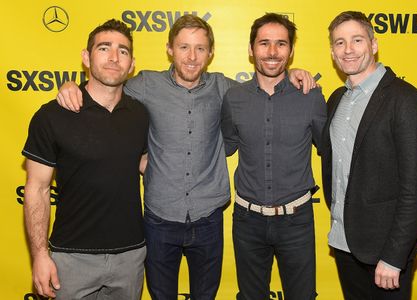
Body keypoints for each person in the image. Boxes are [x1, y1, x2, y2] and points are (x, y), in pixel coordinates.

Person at [56, 14, 317, 299]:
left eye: (200, 48)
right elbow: (105, 86)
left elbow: (265, 84)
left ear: (211, 53)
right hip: (159, 219)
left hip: (208, 218)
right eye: (183, 47)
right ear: (169, 49)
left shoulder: (227, 90)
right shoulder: (145, 84)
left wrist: (292, 74)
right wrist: (72, 86)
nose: (192, 57)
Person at [23, 19, 149, 299]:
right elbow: (37, 189)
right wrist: (40, 256)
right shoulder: (52, 116)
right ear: (86, 56)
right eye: (104, 48)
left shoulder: (141, 115)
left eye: (123, 51)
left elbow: (144, 163)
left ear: (132, 64)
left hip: (130, 257)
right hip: (70, 258)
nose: (114, 57)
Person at [321, 11, 417, 300]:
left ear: (373, 44)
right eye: (339, 42)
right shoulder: (336, 99)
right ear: (332, 52)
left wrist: (395, 256)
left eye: (356, 40)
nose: (348, 50)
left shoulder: (406, 99)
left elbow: (416, 188)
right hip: (344, 245)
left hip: (385, 256)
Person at [221, 13, 327, 300]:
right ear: (250, 49)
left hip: (297, 219)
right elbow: (225, 146)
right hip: (247, 220)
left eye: (280, 44)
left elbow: (329, 150)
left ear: (291, 51)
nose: (271, 52)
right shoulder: (234, 98)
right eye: (264, 43)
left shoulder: (311, 96)